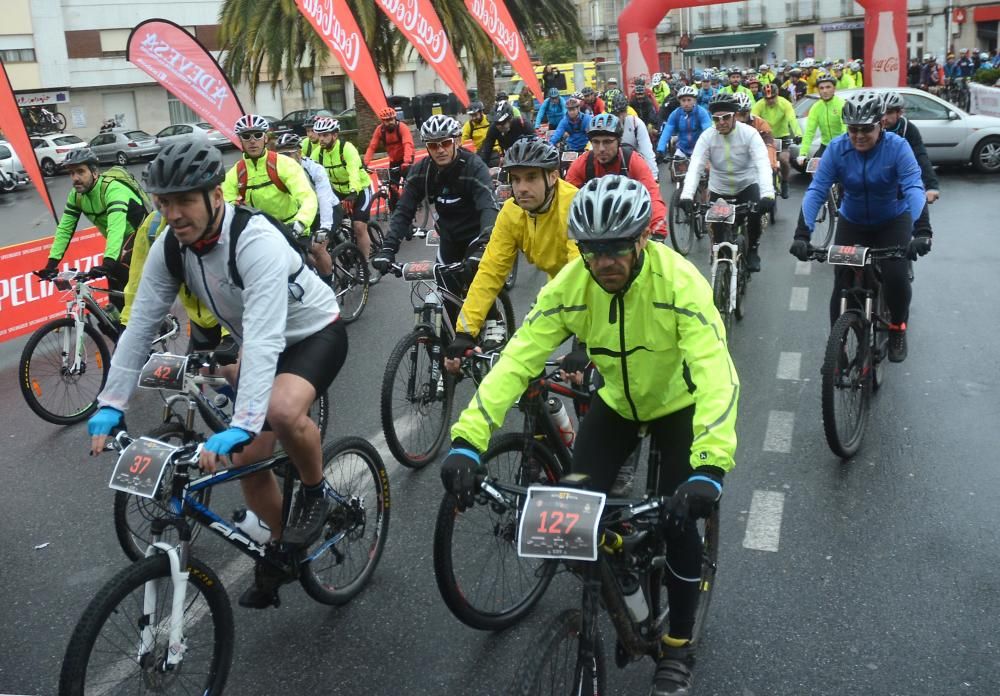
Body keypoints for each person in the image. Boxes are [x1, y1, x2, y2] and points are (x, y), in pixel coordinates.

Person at [441, 175, 739, 696]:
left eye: (617, 248)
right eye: (592, 251)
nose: (605, 262)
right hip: (617, 403)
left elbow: (717, 373)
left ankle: (678, 642)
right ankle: (623, 578)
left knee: (678, 524)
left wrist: (709, 468)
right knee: (574, 511)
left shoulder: (680, 283)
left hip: (678, 404)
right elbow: (517, 358)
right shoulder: (572, 285)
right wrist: (468, 440)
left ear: (643, 239)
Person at [87, 141, 348, 608]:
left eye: (185, 200)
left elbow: (267, 339)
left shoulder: (256, 241)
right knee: (248, 461)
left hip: (312, 331)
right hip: (259, 338)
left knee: (282, 410)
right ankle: (284, 545)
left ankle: (315, 491)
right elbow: (141, 324)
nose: (173, 214)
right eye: (164, 203)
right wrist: (111, 403)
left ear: (216, 196)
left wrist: (245, 421)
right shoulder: (172, 246)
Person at [790, 92, 926, 362]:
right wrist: (802, 233)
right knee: (842, 282)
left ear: (880, 126)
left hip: (892, 219)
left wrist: (922, 230)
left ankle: (898, 326)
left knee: (896, 275)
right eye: (853, 129)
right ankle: (837, 343)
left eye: (866, 129)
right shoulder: (838, 149)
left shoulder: (897, 147)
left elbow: (913, 186)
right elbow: (817, 189)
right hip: (853, 221)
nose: (859, 135)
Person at [445, 138, 579, 370]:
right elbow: (491, 270)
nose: (521, 188)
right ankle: (549, 406)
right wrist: (465, 331)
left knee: (592, 376)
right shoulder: (511, 212)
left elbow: (583, 274)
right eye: (515, 179)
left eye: (531, 177)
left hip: (592, 292)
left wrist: (586, 344)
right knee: (522, 361)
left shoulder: (574, 205)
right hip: (556, 288)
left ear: (553, 177)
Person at [371, 115, 499, 326]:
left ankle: (495, 323)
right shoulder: (422, 170)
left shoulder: (474, 166)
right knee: (449, 299)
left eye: (445, 143)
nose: (440, 150)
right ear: (428, 147)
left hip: (476, 237)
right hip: (449, 238)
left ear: (456, 141)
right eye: (433, 145)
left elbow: (488, 206)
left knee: (479, 284)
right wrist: (387, 249)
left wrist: (483, 245)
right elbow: (403, 210)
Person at [37, 147, 149, 313]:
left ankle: (144, 320)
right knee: (116, 297)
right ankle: (120, 326)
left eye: (81, 172)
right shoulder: (76, 196)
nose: (75, 178)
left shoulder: (113, 189)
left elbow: (115, 228)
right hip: (121, 244)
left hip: (142, 236)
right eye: (71, 173)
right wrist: (51, 264)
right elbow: (65, 229)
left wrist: (108, 262)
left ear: (94, 172)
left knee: (119, 270)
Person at [678, 93, 774, 273]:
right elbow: (696, 166)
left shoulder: (749, 133)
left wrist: (768, 194)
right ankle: (723, 269)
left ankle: (753, 250)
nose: (721, 122)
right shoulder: (707, 136)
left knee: (754, 217)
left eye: (726, 117)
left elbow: (762, 163)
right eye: (716, 119)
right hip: (719, 189)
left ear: (735, 116)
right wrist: (687, 195)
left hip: (747, 184)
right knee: (719, 239)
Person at [222, 113, 317, 252]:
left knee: (306, 266)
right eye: (246, 136)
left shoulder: (284, 164)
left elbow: (307, 196)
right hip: (260, 233)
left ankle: (326, 275)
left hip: (291, 228)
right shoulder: (236, 172)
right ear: (240, 140)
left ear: (265, 138)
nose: (252, 141)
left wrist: (301, 222)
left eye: (257, 135)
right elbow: (225, 206)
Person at [565, 113, 667, 238]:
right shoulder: (583, 163)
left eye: (607, 142)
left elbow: (652, 195)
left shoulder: (632, 160)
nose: (601, 148)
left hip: (627, 224)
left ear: (618, 141)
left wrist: (658, 231)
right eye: (596, 142)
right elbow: (566, 199)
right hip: (594, 228)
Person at [311, 116, 379, 281]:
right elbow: (308, 176)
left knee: (358, 226)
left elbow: (354, 171)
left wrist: (353, 192)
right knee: (332, 222)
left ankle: (364, 267)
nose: (321, 139)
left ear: (335, 135)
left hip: (360, 188)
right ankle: (346, 246)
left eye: (325, 135)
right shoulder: (317, 154)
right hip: (337, 190)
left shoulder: (346, 148)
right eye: (319, 135)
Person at [274, 132, 340, 285]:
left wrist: (324, 228)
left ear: (299, 153)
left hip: (327, 210)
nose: (283, 159)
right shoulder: (277, 171)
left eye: (287, 154)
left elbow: (324, 200)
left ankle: (327, 289)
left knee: (317, 248)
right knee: (298, 250)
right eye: (280, 155)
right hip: (305, 215)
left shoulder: (314, 169)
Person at [880, 92, 937, 243]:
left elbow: (921, 156)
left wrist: (931, 186)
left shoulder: (908, 129)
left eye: (890, 112)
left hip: (900, 184)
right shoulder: (872, 127)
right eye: (881, 112)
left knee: (901, 243)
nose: (884, 117)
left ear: (900, 112)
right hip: (877, 184)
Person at [751, 83, 802, 198]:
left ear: (777, 95)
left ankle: (784, 182)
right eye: (767, 98)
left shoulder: (785, 103)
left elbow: (792, 120)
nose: (770, 101)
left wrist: (798, 134)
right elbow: (752, 121)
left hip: (782, 136)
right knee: (763, 161)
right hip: (765, 136)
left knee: (784, 159)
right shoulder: (759, 105)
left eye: (772, 97)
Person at [363, 106, 415, 213]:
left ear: (395, 118)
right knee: (392, 187)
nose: (390, 122)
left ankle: (414, 200)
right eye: (387, 120)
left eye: (392, 119)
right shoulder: (380, 130)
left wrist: (406, 161)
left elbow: (408, 144)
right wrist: (365, 163)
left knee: (410, 183)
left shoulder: (402, 127)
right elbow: (372, 147)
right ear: (382, 121)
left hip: (407, 157)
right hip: (394, 160)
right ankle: (395, 212)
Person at [796, 73, 845, 166]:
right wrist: (803, 153)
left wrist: (842, 148)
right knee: (814, 170)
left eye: (828, 87)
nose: (825, 91)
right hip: (825, 145)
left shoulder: (841, 104)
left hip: (841, 145)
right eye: (821, 88)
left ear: (834, 88)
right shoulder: (816, 107)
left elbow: (845, 130)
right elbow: (809, 132)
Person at [656, 85, 711, 158]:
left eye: (689, 100)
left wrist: (711, 149)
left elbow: (708, 131)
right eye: (683, 100)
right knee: (674, 166)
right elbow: (667, 131)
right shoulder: (676, 114)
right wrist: (660, 149)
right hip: (682, 149)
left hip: (699, 149)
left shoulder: (701, 112)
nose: (686, 103)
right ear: (679, 101)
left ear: (694, 100)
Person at [611, 93, 659, 177]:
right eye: (617, 113)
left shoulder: (636, 123)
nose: (620, 116)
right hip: (614, 166)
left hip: (634, 163)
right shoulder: (608, 124)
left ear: (627, 110)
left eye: (623, 112)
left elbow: (647, 150)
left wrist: (654, 175)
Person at [734, 92, 778, 174]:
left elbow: (769, 144)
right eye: (738, 114)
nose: (742, 118)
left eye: (744, 113)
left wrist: (770, 164)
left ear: (750, 110)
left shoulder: (760, 123)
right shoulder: (725, 124)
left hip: (755, 155)